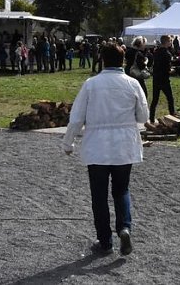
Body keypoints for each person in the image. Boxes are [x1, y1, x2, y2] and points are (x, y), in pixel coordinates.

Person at [62, 43, 146, 255]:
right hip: (124, 145)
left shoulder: (91, 84)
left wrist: (68, 142)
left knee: (99, 195)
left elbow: (77, 117)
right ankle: (124, 227)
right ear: (123, 61)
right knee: (121, 190)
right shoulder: (133, 84)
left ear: (102, 60)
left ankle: (105, 240)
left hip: (97, 145)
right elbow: (143, 116)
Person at [149, 35, 176, 123]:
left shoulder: (156, 52)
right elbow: (167, 69)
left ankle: (151, 119)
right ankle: (172, 116)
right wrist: (172, 70)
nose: (171, 43)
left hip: (156, 78)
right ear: (167, 42)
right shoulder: (167, 54)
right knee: (170, 99)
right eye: (170, 41)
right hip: (164, 79)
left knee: (155, 100)